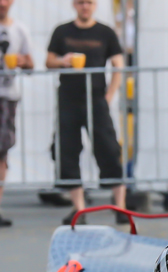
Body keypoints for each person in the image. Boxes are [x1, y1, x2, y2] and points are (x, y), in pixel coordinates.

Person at [46, 0, 127, 227]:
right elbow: (48, 60)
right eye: (81, 3)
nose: (85, 7)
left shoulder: (105, 32)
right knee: (67, 151)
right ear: (74, 5)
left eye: (89, 3)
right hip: (69, 100)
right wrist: (62, 61)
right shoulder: (62, 31)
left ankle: (120, 206)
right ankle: (79, 208)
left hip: (96, 100)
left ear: (94, 5)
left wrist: (110, 95)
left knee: (109, 148)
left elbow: (118, 63)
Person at [0, 0, 33, 227]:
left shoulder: (20, 29)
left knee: (2, 152)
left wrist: (22, 62)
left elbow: (31, 65)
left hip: (7, 98)